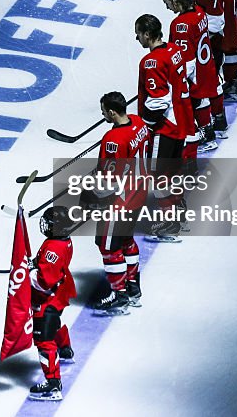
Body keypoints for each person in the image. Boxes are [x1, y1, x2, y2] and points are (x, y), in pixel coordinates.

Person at [87, 91, 151, 315]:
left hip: (120, 200)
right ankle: (133, 289)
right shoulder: (139, 122)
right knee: (125, 239)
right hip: (139, 193)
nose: (103, 114)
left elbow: (108, 179)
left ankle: (120, 293)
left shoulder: (112, 140)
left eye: (104, 111)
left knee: (106, 244)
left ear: (112, 112)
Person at [134, 14, 194, 242]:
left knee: (159, 176)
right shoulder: (174, 50)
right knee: (172, 173)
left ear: (148, 34)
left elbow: (158, 101)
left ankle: (169, 222)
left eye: (138, 33)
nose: (136, 37)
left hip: (164, 127)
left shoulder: (151, 62)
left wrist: (143, 125)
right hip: (180, 124)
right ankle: (179, 215)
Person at [160, 0, 221, 153]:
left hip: (194, 73)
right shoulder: (199, 11)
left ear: (174, 0)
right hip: (206, 67)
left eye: (167, 3)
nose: (167, 7)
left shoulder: (180, 24)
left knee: (185, 108)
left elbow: (186, 61)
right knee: (202, 99)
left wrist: (176, 79)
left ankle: (203, 137)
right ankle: (208, 132)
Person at [28, 205, 77, 402]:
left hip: (48, 298)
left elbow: (43, 282)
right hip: (60, 293)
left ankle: (53, 384)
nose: (44, 225)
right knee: (54, 322)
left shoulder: (53, 248)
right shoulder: (62, 241)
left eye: (48, 223)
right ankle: (65, 350)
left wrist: (27, 273)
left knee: (43, 339)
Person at [194, 0, 237, 135]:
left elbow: (214, 15)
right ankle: (218, 118)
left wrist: (205, 36)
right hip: (222, 34)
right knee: (213, 78)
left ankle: (214, 121)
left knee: (207, 81)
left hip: (211, 39)